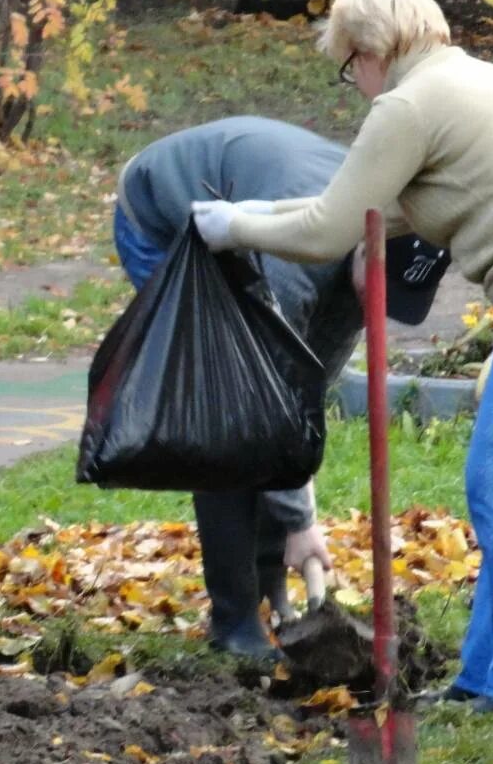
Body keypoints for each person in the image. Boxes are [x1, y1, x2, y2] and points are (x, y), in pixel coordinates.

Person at [192, 0, 493, 709]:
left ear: (370, 49)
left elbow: (325, 231)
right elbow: (346, 205)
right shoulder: (474, 83)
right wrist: (252, 210)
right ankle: (492, 674)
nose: (354, 86)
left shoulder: (408, 105)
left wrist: (233, 226)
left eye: (348, 68)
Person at [116, 115, 450, 661]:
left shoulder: (385, 228)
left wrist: (299, 496)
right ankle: (234, 623)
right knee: (227, 423)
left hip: (256, 205)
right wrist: (301, 521)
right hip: (163, 212)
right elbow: (265, 398)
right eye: (379, 288)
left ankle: (272, 596)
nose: (379, 307)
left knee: (268, 432)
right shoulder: (294, 264)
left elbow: (306, 387)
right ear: (366, 249)